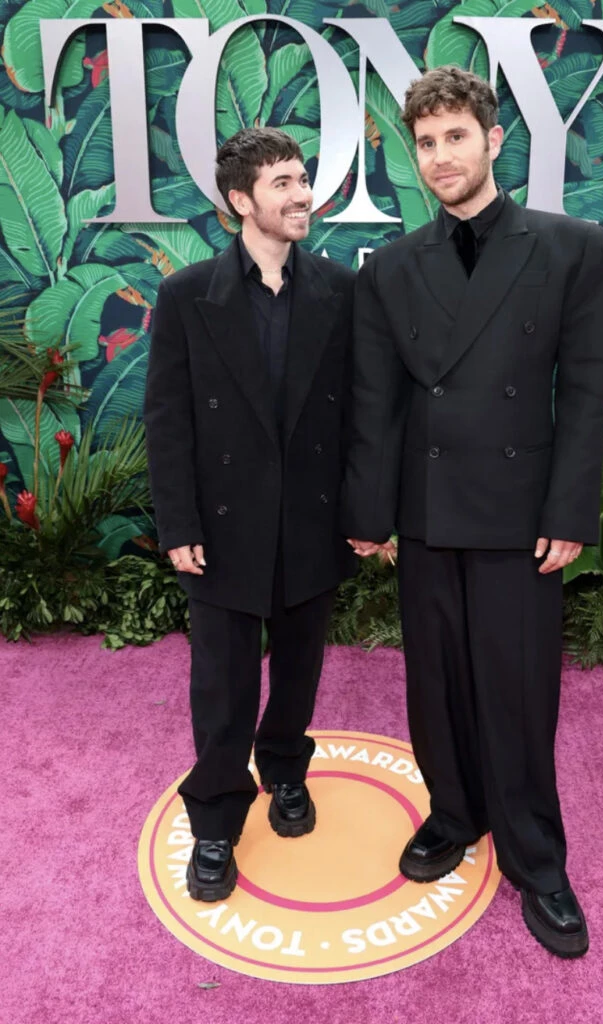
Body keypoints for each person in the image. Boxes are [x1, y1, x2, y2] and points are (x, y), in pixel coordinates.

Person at [341, 66, 603, 959]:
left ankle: (538, 859)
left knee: (519, 688)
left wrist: (570, 508)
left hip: (518, 512)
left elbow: (582, 395)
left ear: (494, 141)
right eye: (425, 143)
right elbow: (376, 400)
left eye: (455, 137)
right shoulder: (391, 268)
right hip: (423, 510)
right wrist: (368, 514)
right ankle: (452, 815)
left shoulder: (571, 246)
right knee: (435, 681)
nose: (439, 156)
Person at [144, 128, 356, 902]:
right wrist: (178, 525)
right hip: (223, 528)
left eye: (302, 179)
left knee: (298, 673)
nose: (302, 194)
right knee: (222, 686)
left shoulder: (337, 289)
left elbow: (359, 413)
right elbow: (167, 420)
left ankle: (286, 772)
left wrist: (362, 512)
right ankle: (214, 822)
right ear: (241, 201)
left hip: (311, 520)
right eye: (284, 184)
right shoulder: (185, 296)